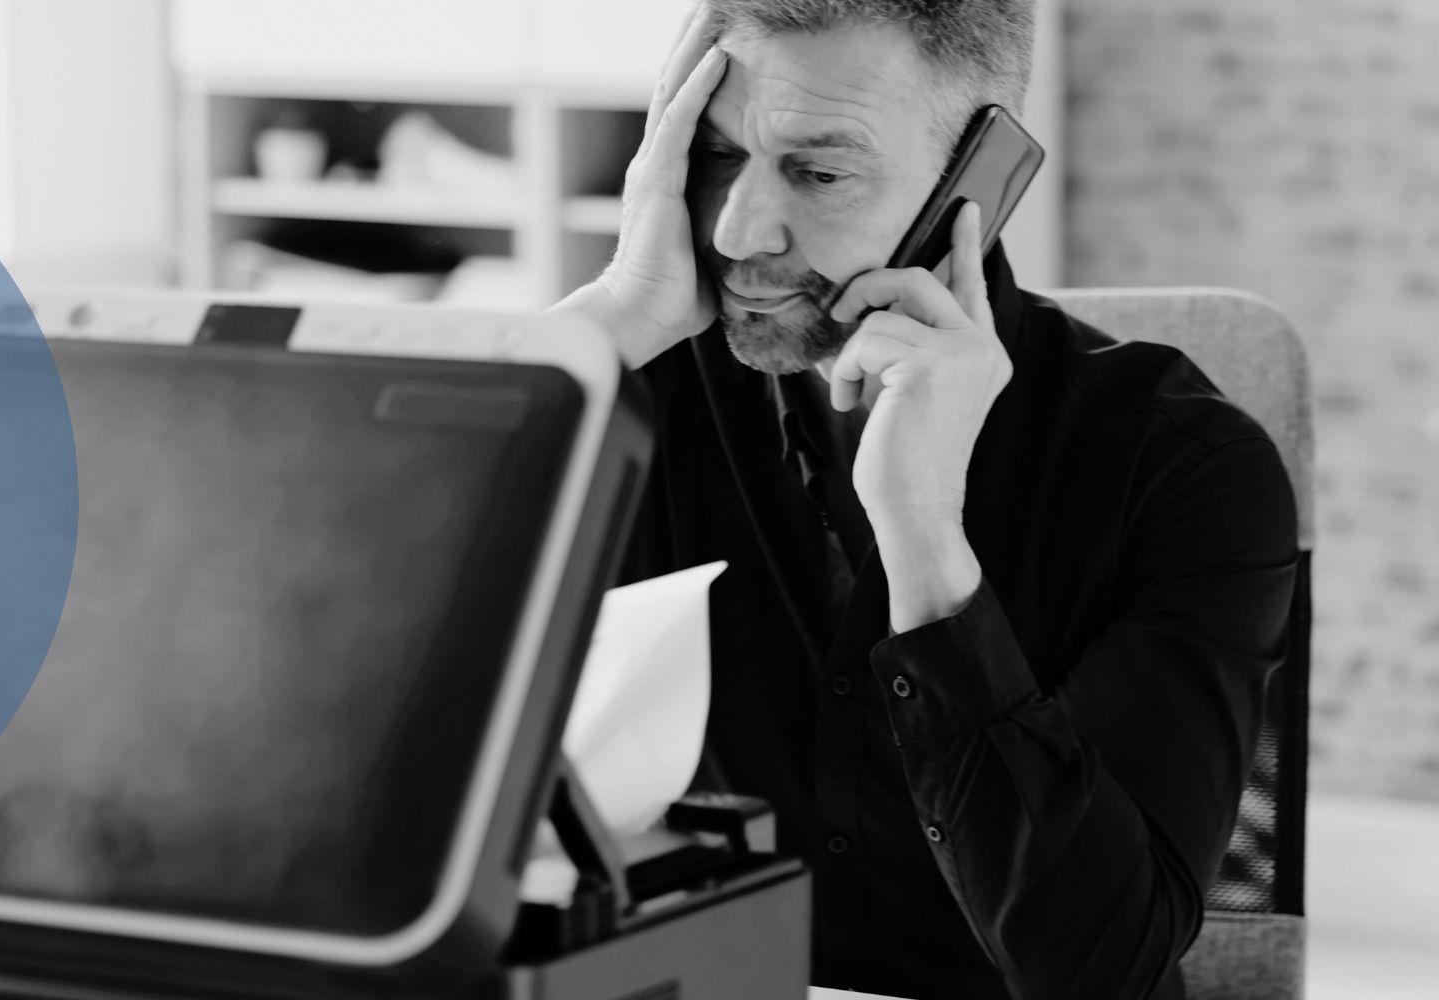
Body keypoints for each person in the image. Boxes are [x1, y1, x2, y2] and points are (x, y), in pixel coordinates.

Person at [545, 2, 1302, 997]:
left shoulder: (1182, 468)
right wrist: (607, 322)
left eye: (817, 171)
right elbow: (335, 666)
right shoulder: (635, 388)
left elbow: (1102, 968)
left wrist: (924, 543)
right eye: (715, 155)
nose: (737, 229)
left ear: (973, 186)